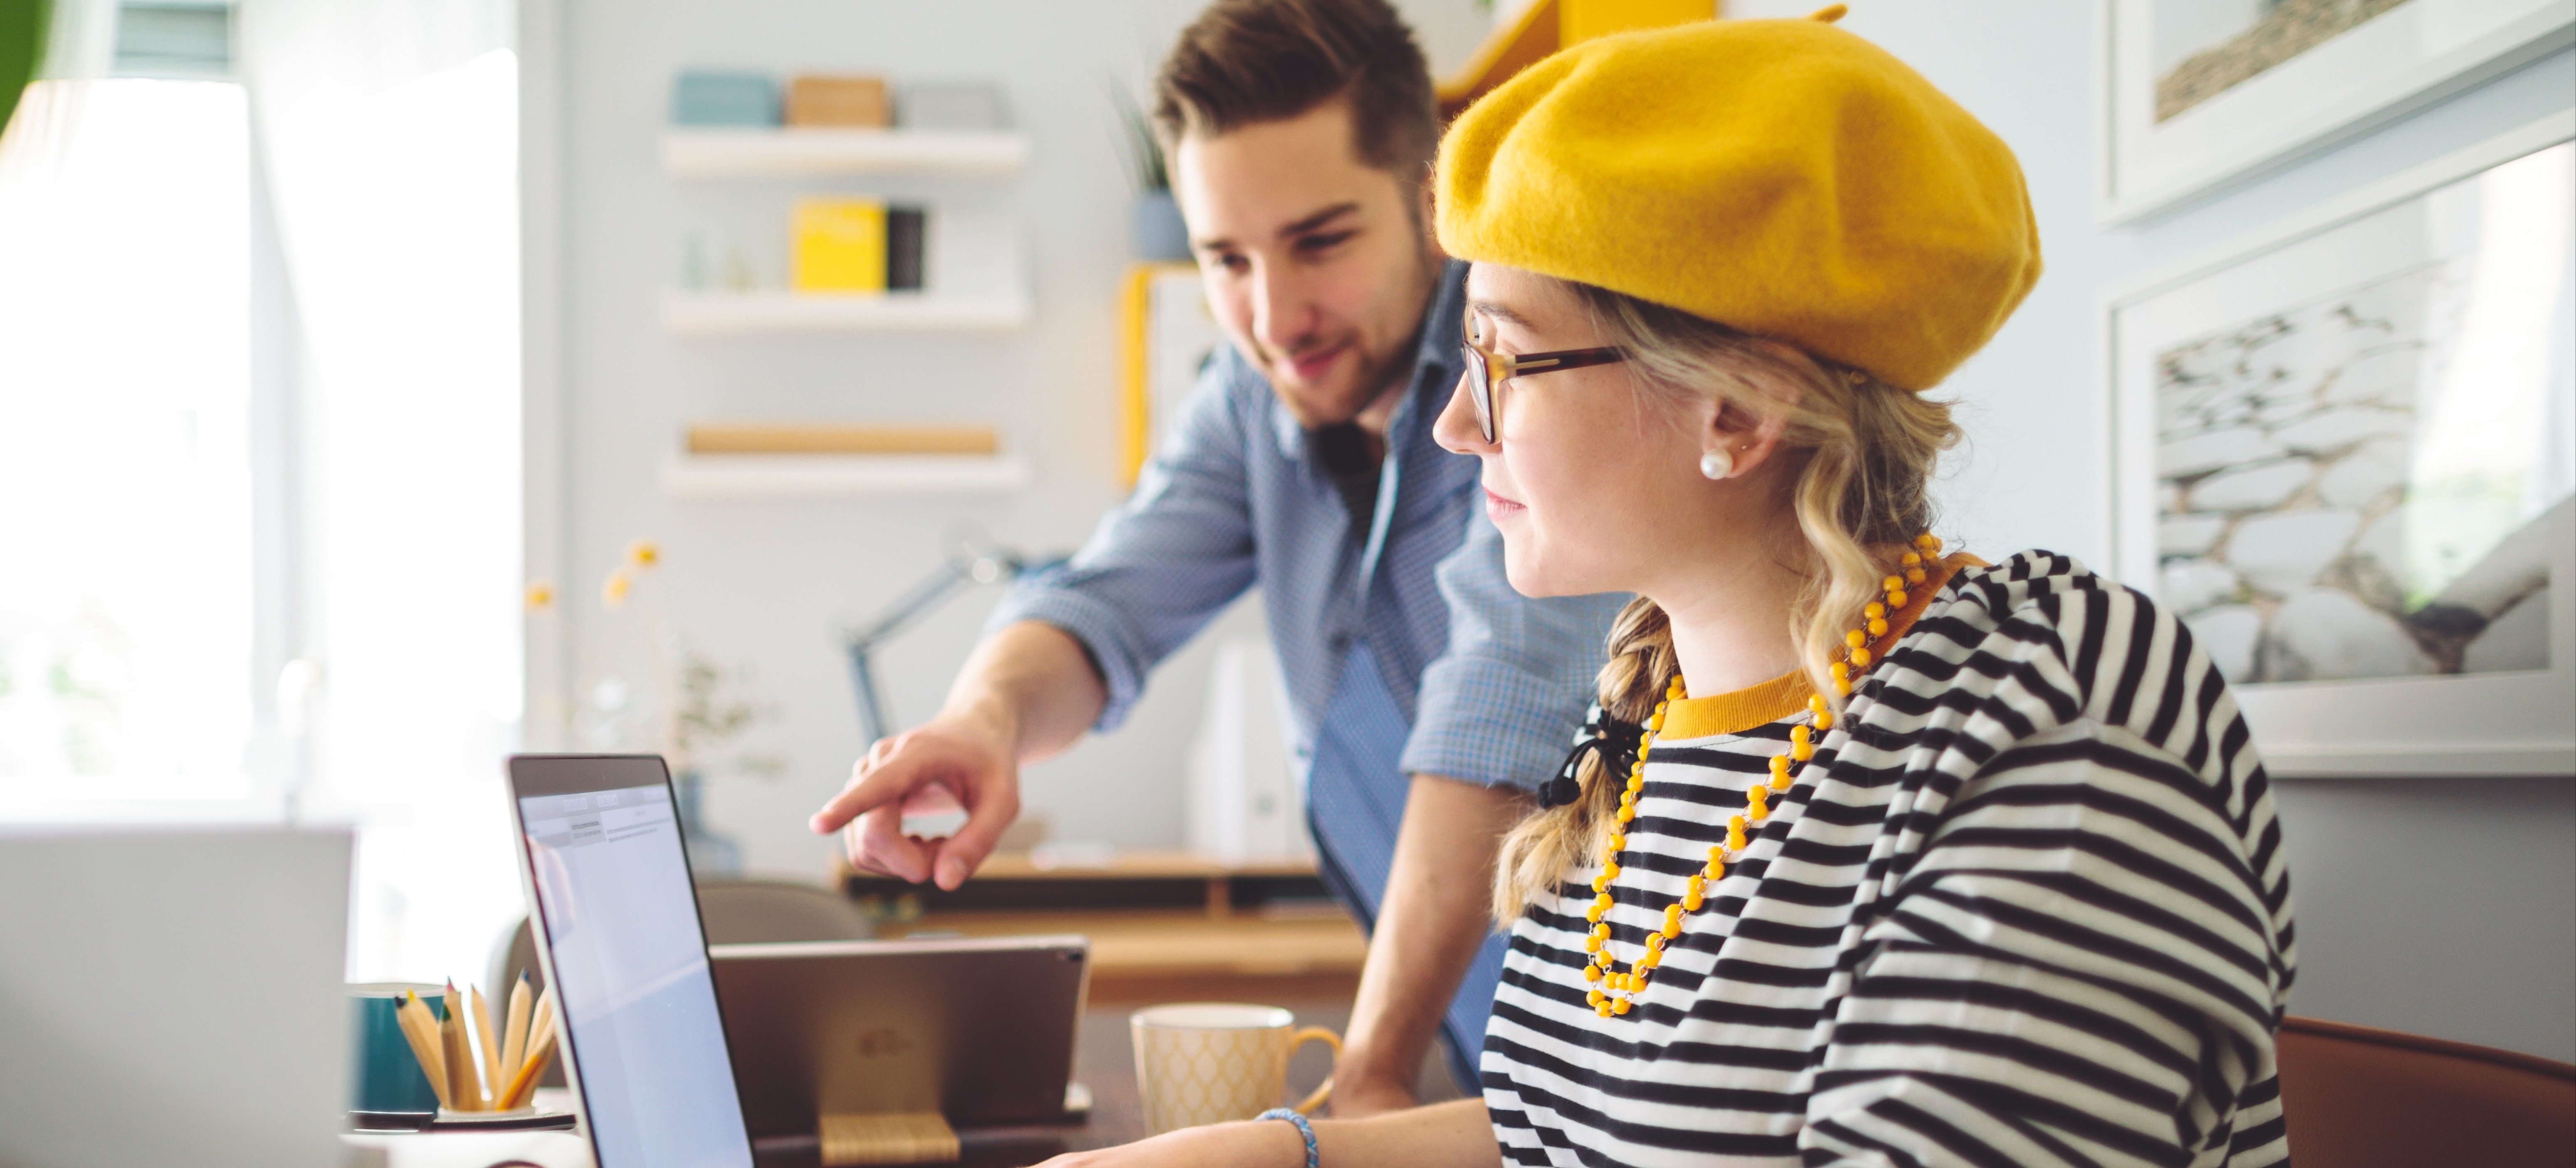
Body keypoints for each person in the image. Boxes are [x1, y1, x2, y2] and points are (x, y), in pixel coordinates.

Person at [1037, 10, 2297, 1167]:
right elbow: (1558, 1136)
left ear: (1737, 410)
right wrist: (1271, 1155)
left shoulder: (2053, 716)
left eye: (1509, 362)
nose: (1455, 427)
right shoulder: (1645, 724)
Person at [806, 0, 1622, 1110]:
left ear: (1430, 203)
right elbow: (1107, 599)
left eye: (1320, 242)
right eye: (1224, 259)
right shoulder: (1248, 399)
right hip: (1506, 1063)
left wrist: (1373, 1066)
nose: (1274, 315)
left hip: (1651, 1051)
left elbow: (1499, 705)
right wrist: (981, 724)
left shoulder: (1523, 368)